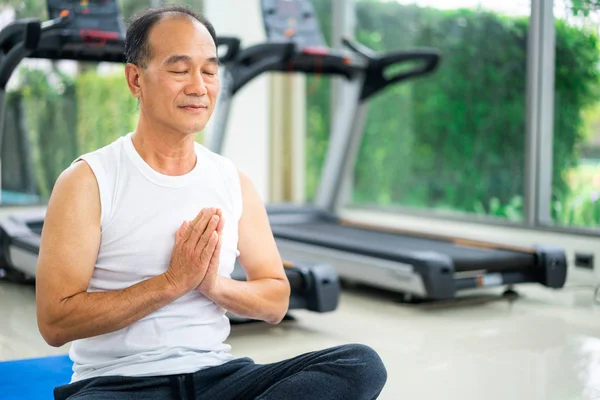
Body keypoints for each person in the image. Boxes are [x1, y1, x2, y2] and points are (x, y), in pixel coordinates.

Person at [36, 5, 387, 399]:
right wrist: (170, 284)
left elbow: (275, 299)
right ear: (136, 79)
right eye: (179, 69)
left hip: (217, 379)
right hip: (118, 385)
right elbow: (55, 323)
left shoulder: (232, 181)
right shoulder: (88, 181)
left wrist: (215, 286)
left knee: (359, 363)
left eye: (209, 70)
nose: (199, 86)